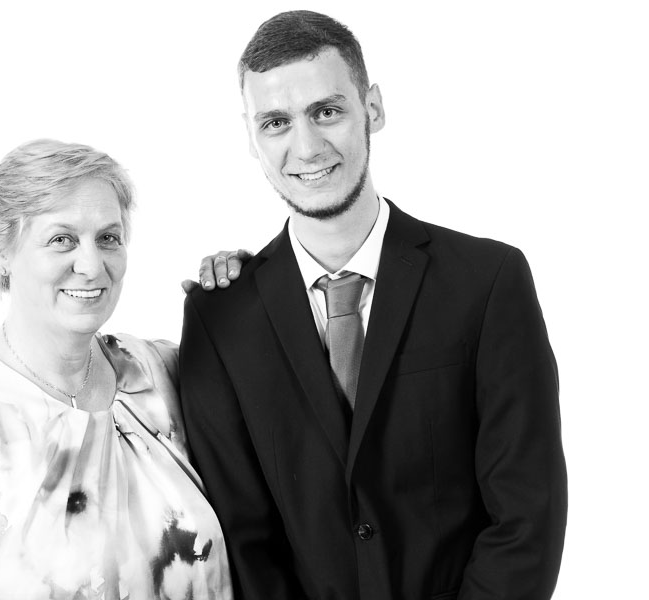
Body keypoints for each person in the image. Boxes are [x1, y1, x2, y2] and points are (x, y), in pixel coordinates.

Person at [180, 10, 566, 600]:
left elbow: (526, 513)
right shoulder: (221, 318)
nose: (306, 147)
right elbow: (243, 538)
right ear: (251, 138)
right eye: (276, 122)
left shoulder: (488, 282)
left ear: (373, 109)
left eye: (326, 111)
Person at [0, 140, 234, 600]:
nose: (91, 266)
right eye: (61, 239)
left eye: (108, 238)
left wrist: (249, 288)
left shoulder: (157, 373)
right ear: (1, 251)